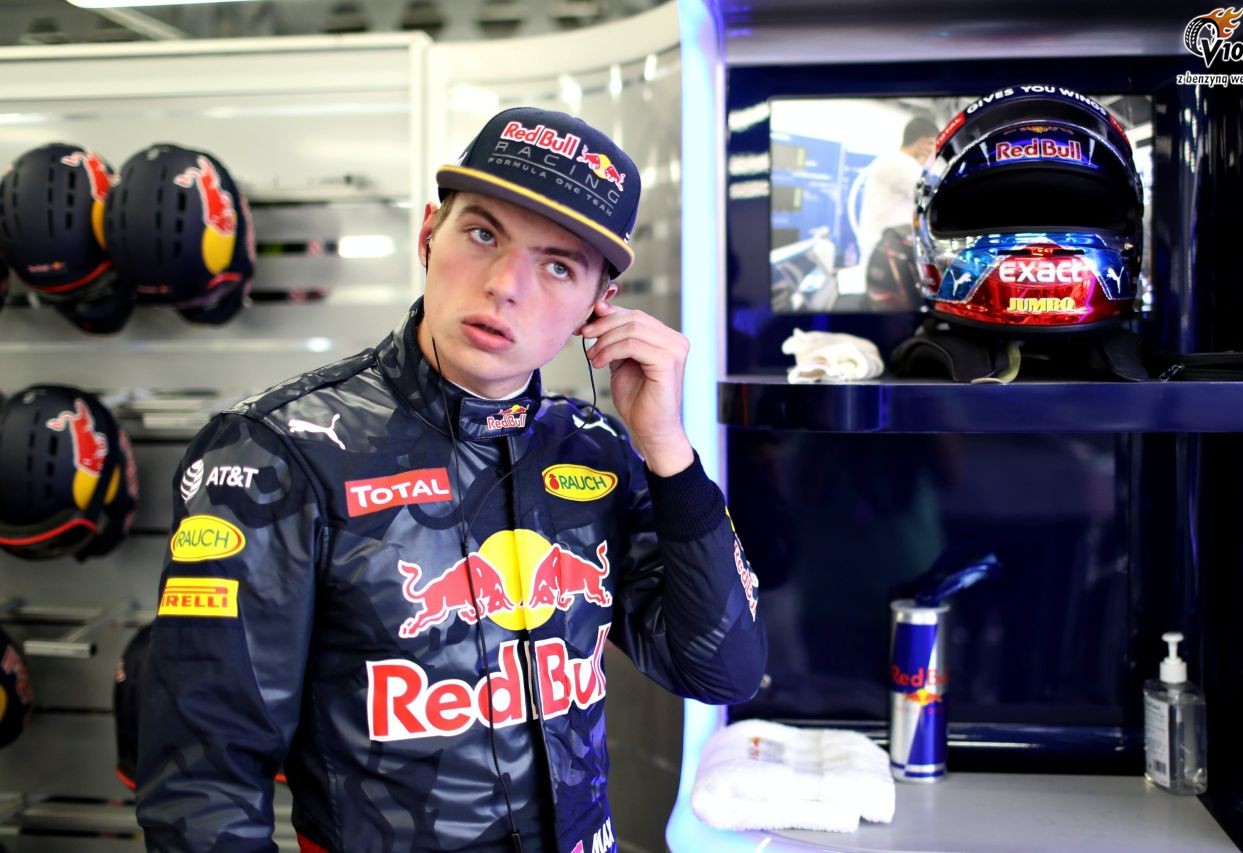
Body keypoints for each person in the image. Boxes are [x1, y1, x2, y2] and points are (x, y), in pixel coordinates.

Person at [135, 106, 767, 853]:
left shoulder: (597, 450)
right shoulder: (277, 451)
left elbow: (722, 670)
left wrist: (667, 449)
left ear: (597, 308)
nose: (505, 285)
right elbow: (204, 788)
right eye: (483, 235)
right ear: (428, 235)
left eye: (557, 266)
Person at [848, 116, 938, 311]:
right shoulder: (900, 164)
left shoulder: (891, 161)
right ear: (922, 142)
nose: (933, 152)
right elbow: (934, 195)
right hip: (887, 258)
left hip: (885, 254)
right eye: (932, 145)